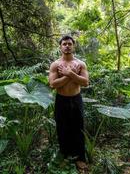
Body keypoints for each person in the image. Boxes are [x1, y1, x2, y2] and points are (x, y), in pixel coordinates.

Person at [49, 35, 89, 172]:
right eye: (64, 44)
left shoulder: (81, 64)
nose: (67, 46)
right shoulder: (55, 64)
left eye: (69, 44)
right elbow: (53, 84)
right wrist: (70, 75)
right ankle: (65, 155)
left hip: (76, 99)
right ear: (60, 47)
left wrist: (69, 73)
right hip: (61, 100)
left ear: (73, 46)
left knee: (79, 128)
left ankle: (80, 158)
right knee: (62, 128)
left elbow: (85, 82)